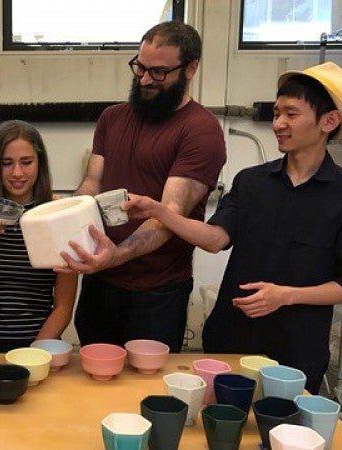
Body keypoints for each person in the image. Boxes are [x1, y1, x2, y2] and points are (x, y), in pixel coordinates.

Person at [124, 61, 342, 394]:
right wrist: (160, 210)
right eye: (277, 113)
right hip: (230, 338)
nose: (278, 123)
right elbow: (216, 239)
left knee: (281, 434)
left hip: (296, 350)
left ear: (329, 121)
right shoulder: (251, 182)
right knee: (220, 426)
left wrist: (286, 296)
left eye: (291, 114)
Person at [59, 21, 227, 352]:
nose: (145, 79)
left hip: (156, 292)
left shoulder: (200, 131)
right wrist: (59, 211)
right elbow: (92, 183)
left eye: (159, 72)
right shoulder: (113, 118)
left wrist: (114, 256)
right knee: (95, 375)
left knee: (146, 391)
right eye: (140, 67)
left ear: (191, 68)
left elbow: (169, 215)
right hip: (101, 281)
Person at [0, 120, 78, 353]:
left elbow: (63, 307)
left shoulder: (58, 218)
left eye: (26, 162)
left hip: (40, 345)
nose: (17, 173)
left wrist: (33, 353)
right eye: (6, 163)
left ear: (39, 164)